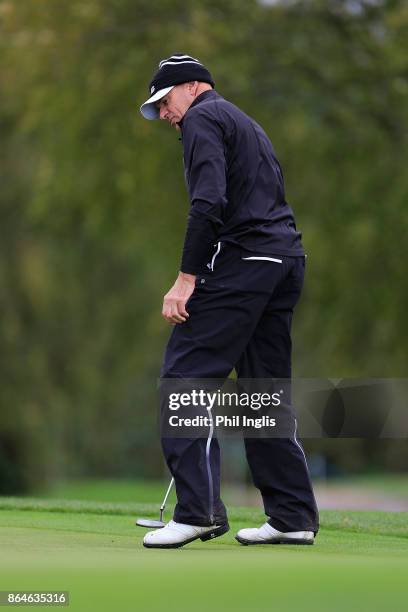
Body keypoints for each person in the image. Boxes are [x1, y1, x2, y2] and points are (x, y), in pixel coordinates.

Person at [139, 53, 319, 548]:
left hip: (244, 263)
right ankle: (291, 515)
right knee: (263, 391)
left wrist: (185, 279)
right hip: (284, 262)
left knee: (183, 377)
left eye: (166, 100)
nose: (165, 114)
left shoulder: (202, 117)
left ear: (193, 87)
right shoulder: (242, 121)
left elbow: (208, 202)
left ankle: (197, 511)